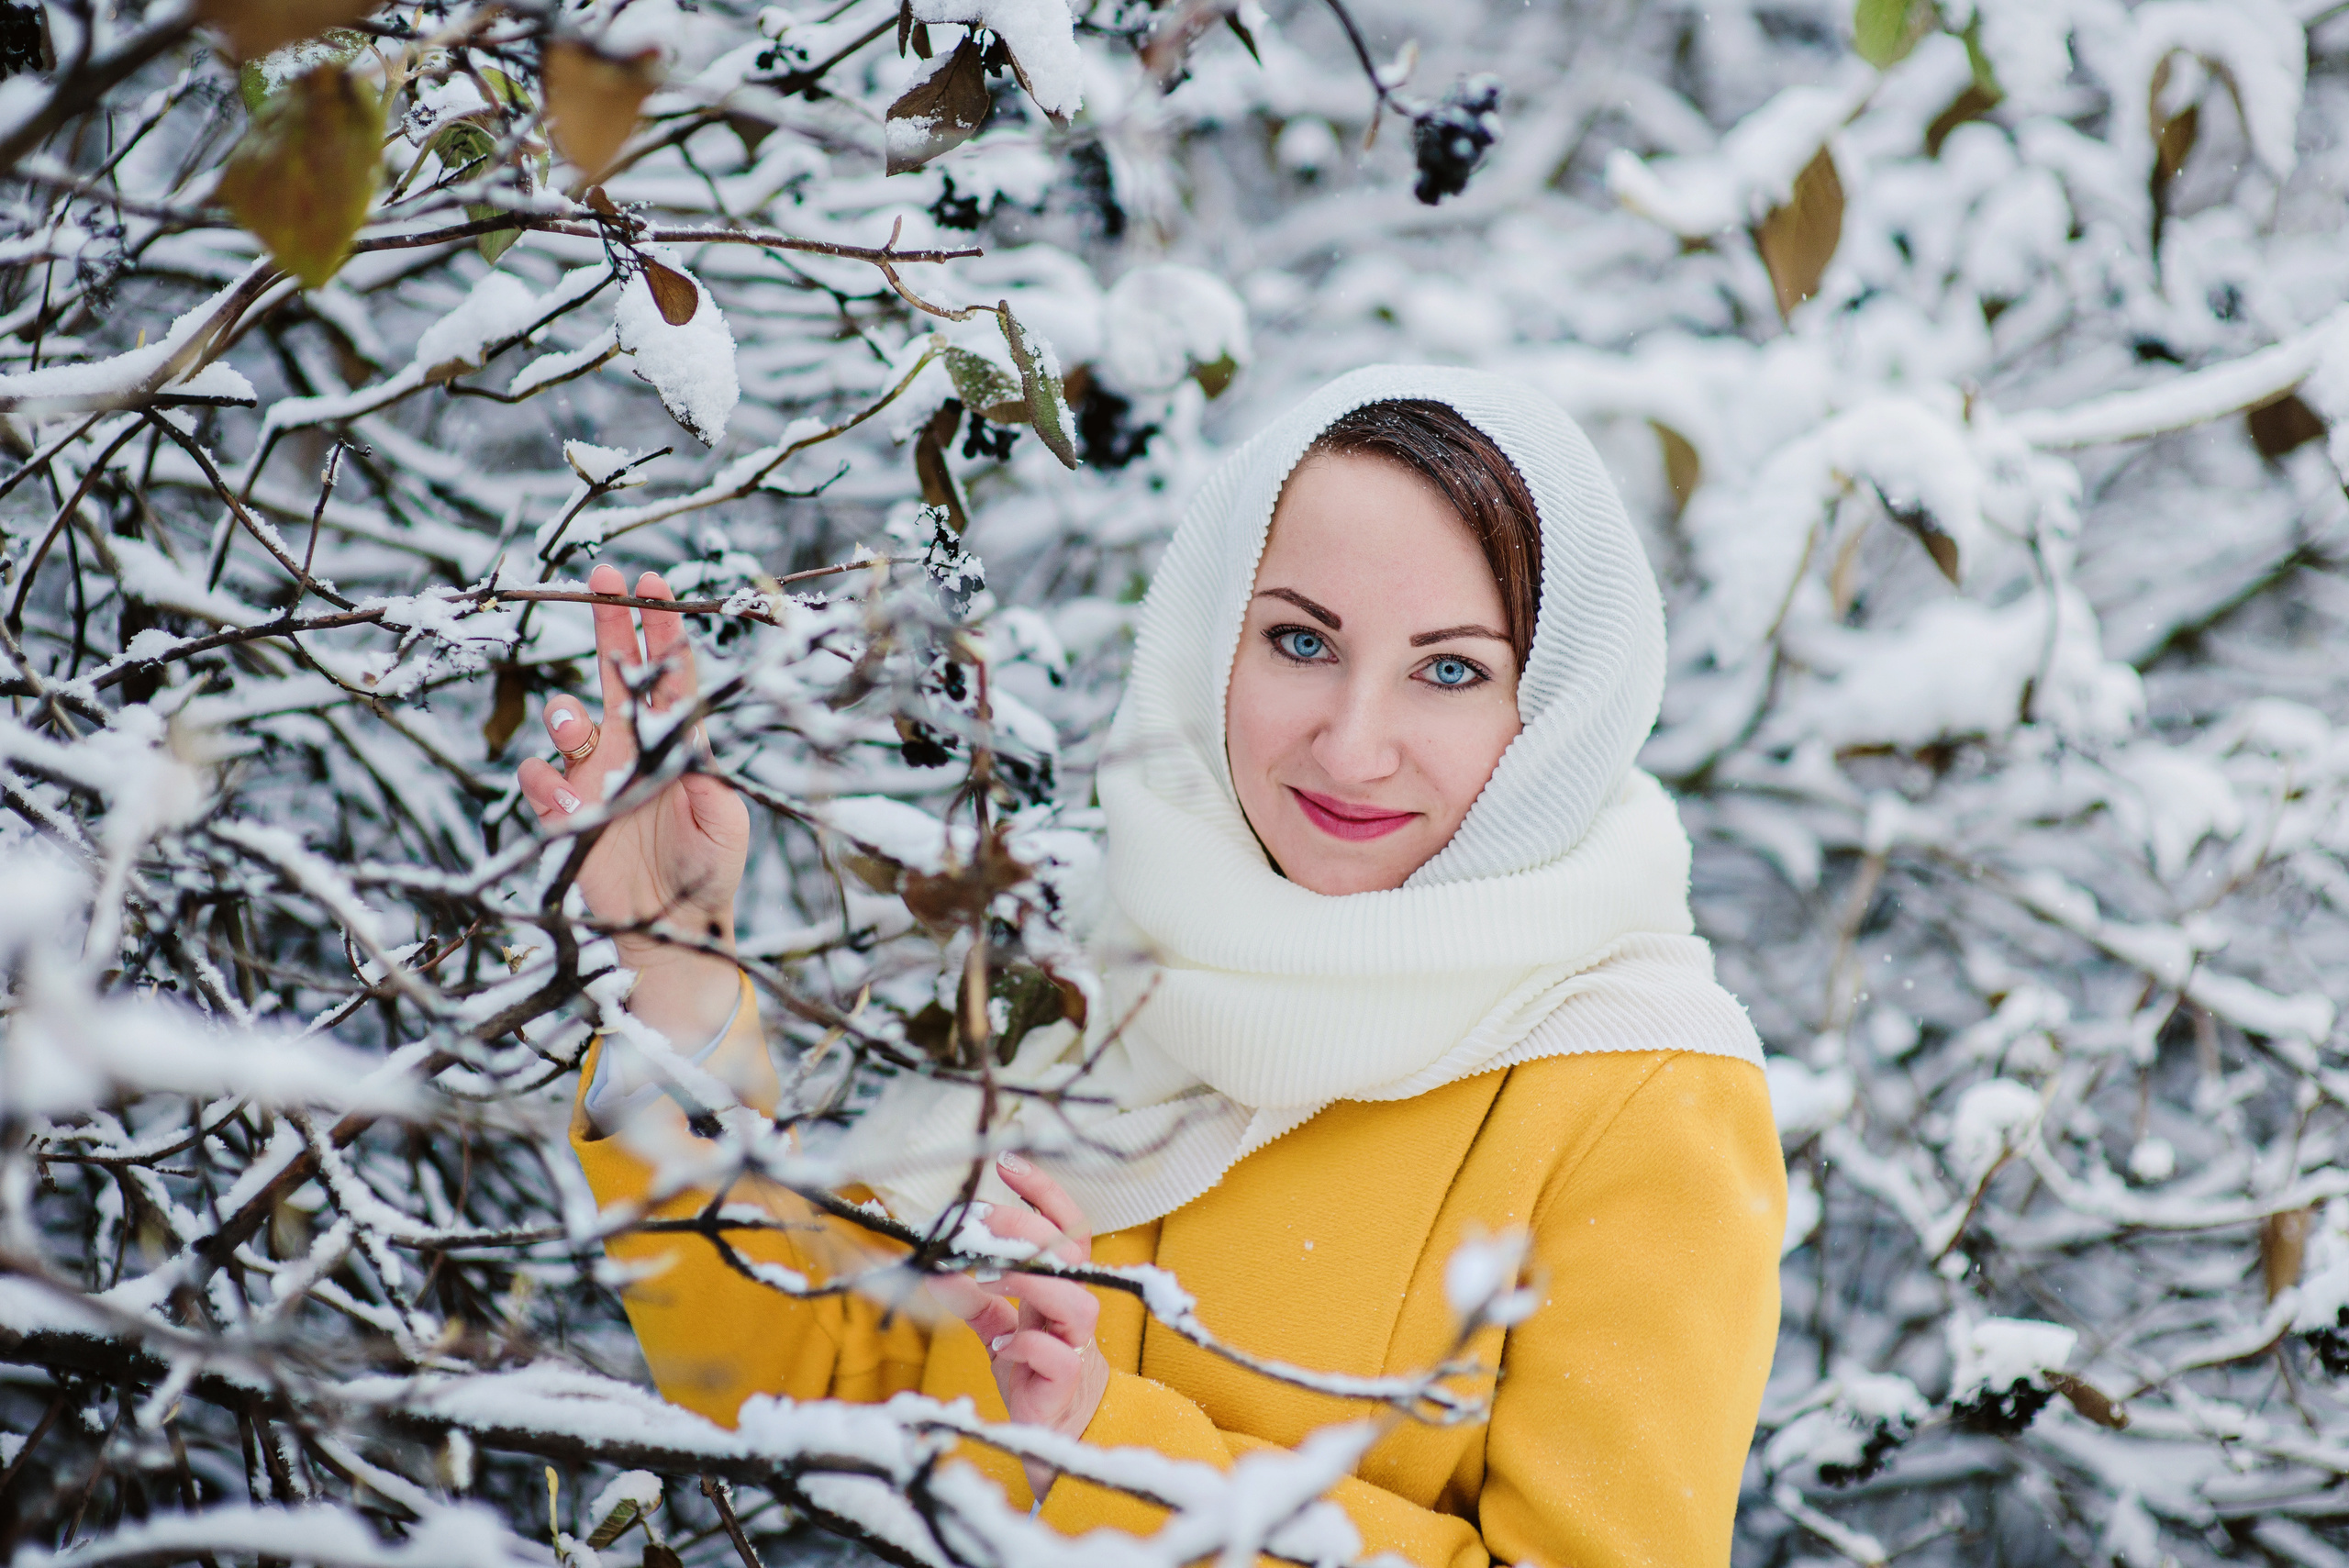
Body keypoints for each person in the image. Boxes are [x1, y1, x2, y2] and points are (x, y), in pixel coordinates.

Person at [521, 366, 1785, 1566]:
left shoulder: (1640, 1088)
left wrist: (1101, 1446)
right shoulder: (1097, 968)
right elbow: (824, 1382)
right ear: (1210, 637)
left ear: (1552, 709)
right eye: (1300, 642)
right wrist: (677, 978)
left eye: (1449, 669)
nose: (1353, 745)